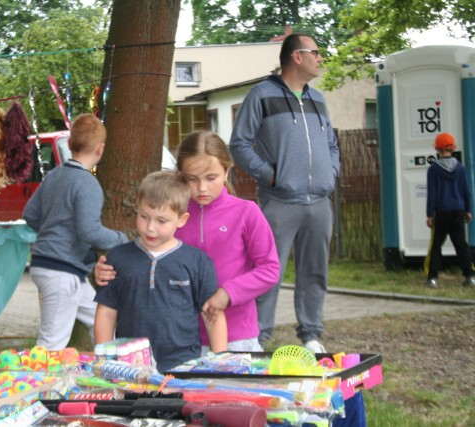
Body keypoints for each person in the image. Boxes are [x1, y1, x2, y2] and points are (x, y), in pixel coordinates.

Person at [96, 130, 280, 353]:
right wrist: (106, 270)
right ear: (180, 174)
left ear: (226, 170)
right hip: (178, 340)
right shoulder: (171, 213)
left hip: (235, 335)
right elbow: (144, 256)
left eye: (211, 178)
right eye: (192, 179)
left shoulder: (247, 212)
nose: (202, 188)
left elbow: (270, 269)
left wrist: (228, 294)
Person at [229, 33, 340, 354]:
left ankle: (310, 334)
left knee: (315, 272)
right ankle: (258, 337)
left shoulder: (318, 98)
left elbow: (332, 144)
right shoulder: (261, 95)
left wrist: (330, 175)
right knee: (266, 272)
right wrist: (272, 176)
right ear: (296, 56)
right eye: (316, 53)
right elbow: (239, 144)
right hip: (279, 202)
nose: (320, 58)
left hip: (319, 202)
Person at [94, 171, 228, 373]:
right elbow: (106, 313)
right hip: (129, 367)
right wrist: (104, 362)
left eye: (161, 221)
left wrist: (220, 363)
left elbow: (213, 316)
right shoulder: (117, 259)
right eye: (144, 216)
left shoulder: (198, 262)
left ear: (181, 220)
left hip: (183, 366)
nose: (150, 228)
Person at [23, 113, 127, 350]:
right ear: (100, 149)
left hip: (58, 268)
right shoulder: (87, 183)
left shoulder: (53, 177)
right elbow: (89, 231)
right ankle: (37, 386)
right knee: (52, 343)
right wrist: (121, 238)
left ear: (69, 144)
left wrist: (52, 232)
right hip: (61, 270)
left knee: (100, 320)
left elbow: (30, 214)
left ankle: (109, 370)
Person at [424, 132, 475, 288]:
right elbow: (466, 190)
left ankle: (432, 278)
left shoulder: (433, 170)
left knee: (436, 245)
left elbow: (432, 193)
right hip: (458, 211)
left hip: (441, 212)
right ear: (453, 148)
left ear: (438, 149)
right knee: (460, 244)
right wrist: (468, 209)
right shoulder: (460, 168)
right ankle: (470, 276)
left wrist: (430, 214)